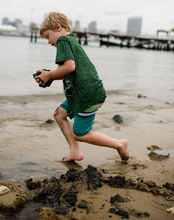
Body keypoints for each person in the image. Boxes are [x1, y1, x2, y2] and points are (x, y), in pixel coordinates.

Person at [35, 12, 130, 162]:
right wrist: (49, 75)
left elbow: (70, 67)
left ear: (57, 27)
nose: (48, 41)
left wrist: (50, 75)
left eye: (48, 36)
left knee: (80, 133)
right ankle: (75, 151)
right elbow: (71, 71)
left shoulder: (63, 41)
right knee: (59, 115)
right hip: (83, 93)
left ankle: (119, 144)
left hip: (86, 95)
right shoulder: (72, 41)